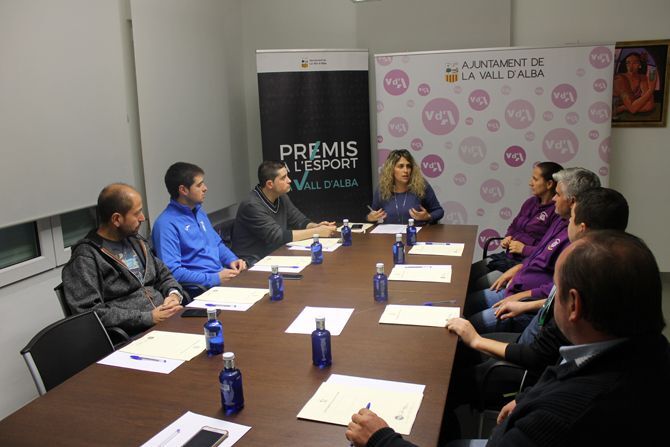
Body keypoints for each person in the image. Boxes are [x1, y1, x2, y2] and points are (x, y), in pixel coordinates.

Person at [346, 230, 669, 447]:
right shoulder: (647, 352)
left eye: (554, 291)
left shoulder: (561, 417)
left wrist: (381, 439)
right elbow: (563, 370)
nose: (547, 299)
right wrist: (527, 398)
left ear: (574, 306)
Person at [464, 168, 600, 334]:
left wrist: (521, 296)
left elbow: (556, 289)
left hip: (528, 302)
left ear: (572, 202)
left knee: (473, 323)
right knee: (466, 303)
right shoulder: (560, 220)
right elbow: (538, 253)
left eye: (558, 194)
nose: (554, 198)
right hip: (516, 287)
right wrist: (517, 269)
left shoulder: (576, 238)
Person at [62, 184, 184, 337]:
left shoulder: (135, 241)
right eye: (137, 213)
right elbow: (89, 313)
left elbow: (164, 275)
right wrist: (148, 318)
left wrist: (173, 295)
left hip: (168, 320)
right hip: (133, 335)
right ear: (116, 219)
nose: (142, 218)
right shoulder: (86, 258)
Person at [152, 162, 246, 290]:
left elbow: (216, 244)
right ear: (183, 190)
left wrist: (232, 260)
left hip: (221, 279)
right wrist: (214, 279)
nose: (205, 188)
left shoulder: (198, 211)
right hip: (201, 289)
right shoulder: (166, 225)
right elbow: (172, 272)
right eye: (199, 185)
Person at [470, 161, 563, 289]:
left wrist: (524, 249)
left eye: (535, 179)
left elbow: (549, 251)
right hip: (507, 257)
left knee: (478, 285)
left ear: (549, 184)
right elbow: (514, 226)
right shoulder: (530, 202)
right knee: (467, 275)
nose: (530, 183)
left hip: (524, 264)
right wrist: (508, 237)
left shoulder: (557, 212)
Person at [231, 161, 337, 266]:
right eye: (283, 178)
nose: (289, 180)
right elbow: (278, 237)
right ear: (270, 184)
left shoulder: (281, 196)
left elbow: (299, 221)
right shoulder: (252, 205)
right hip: (252, 262)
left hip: (275, 254)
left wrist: (316, 226)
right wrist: (317, 232)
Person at [367, 149, 444, 225]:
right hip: (390, 233)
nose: (406, 170)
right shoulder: (382, 189)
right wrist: (370, 218)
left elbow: (439, 211)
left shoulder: (421, 185)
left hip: (416, 232)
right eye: (401, 166)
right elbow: (373, 215)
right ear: (391, 169)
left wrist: (428, 216)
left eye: (408, 166)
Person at [613, 51, 656, 116]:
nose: (631, 66)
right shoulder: (620, 78)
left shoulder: (642, 77)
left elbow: (649, 104)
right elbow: (632, 109)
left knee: (649, 105)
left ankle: (624, 107)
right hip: (613, 105)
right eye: (628, 63)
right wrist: (651, 90)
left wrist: (624, 107)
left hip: (629, 105)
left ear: (640, 65)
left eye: (635, 63)